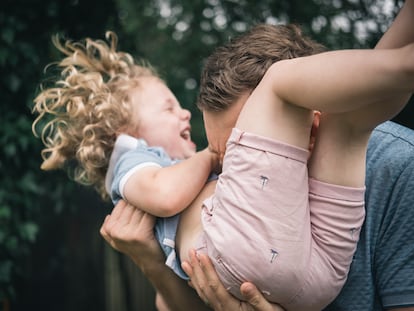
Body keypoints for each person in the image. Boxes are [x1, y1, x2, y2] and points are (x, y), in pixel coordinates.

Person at [101, 1, 414, 310]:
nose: (231, 171)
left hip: (318, 277)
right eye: (226, 156)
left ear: (311, 125)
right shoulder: (156, 167)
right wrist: (152, 263)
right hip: (307, 276)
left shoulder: (397, 168)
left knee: (353, 106)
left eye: (244, 144)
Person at [31, 31, 219, 309]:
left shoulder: (180, 171)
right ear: (127, 134)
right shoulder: (134, 161)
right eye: (169, 108)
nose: (186, 113)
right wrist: (212, 155)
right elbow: (165, 194)